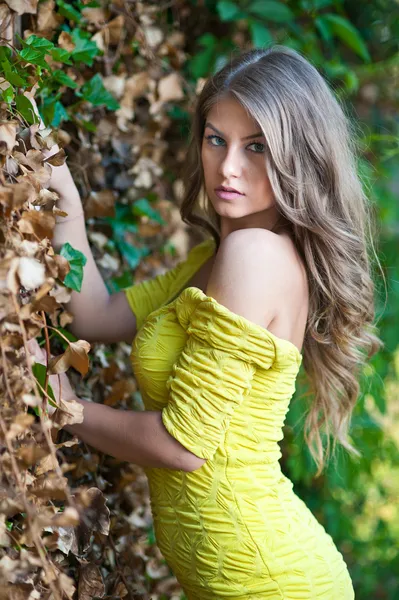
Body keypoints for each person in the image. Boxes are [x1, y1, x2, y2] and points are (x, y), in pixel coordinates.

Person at [28, 45, 382, 599]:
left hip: (269, 582)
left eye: (257, 147)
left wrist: (61, 406)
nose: (229, 167)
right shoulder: (221, 256)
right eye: (216, 139)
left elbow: (181, 445)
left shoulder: (256, 257)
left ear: (300, 156)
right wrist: (63, 192)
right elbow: (95, 313)